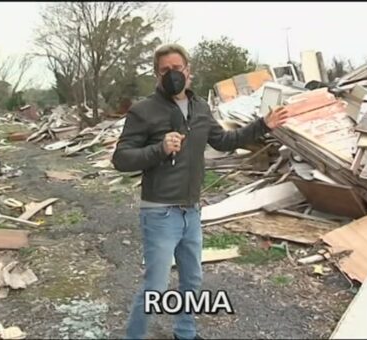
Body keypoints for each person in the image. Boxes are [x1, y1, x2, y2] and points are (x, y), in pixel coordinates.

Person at [112, 44, 289, 340]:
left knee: (192, 280)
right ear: (157, 74)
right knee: (155, 287)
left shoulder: (201, 109)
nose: (172, 75)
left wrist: (263, 125)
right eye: (165, 70)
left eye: (177, 68)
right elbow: (121, 158)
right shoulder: (144, 111)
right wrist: (159, 148)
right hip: (160, 212)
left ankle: (185, 333)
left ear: (188, 70)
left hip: (192, 211)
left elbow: (224, 140)